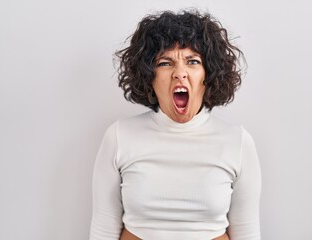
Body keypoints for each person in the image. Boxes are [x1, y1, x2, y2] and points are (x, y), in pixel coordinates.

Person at [89, 10, 261, 240]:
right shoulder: (119, 136)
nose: (179, 73)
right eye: (165, 63)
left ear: (208, 75)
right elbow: (103, 230)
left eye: (193, 61)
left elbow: (247, 233)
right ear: (149, 75)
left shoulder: (237, 141)